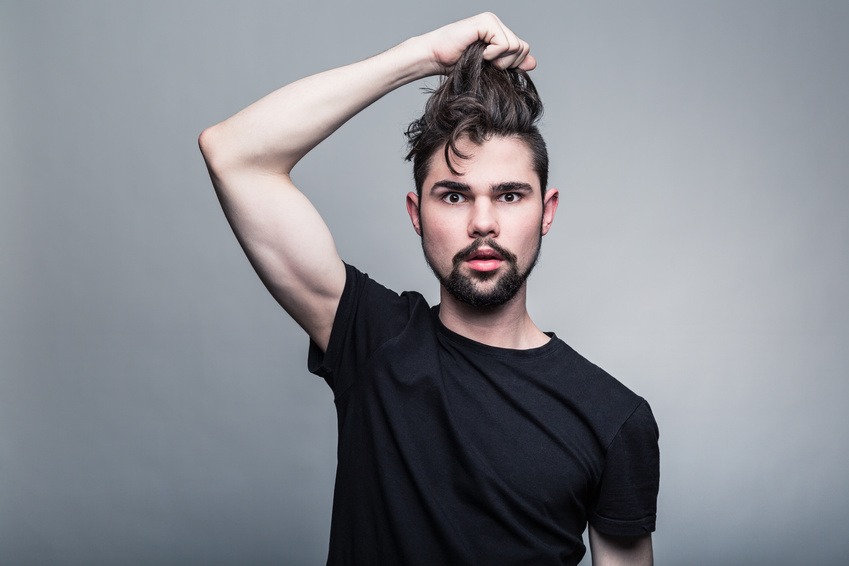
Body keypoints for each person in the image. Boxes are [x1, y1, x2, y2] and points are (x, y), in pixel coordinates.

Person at [199, 13, 659, 566]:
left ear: (547, 211)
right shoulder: (373, 342)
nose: (483, 223)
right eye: (454, 196)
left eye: (510, 195)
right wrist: (422, 57)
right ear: (417, 213)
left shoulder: (613, 416)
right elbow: (234, 154)